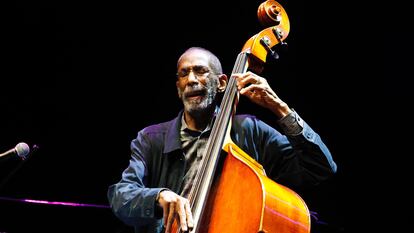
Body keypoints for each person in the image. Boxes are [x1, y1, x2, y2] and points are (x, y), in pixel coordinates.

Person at [107, 47, 337, 233]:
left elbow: (320, 168)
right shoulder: (151, 139)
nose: (192, 80)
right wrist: (158, 196)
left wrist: (280, 109)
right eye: (184, 74)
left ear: (221, 83)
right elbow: (120, 196)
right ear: (178, 88)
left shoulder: (250, 130)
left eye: (200, 71)